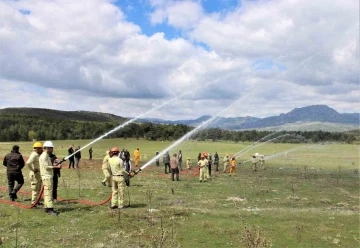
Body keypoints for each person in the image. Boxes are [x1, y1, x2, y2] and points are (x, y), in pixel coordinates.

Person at [39, 141, 62, 215]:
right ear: (47, 148)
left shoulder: (45, 155)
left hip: (47, 176)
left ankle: (46, 207)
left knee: (46, 192)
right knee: (49, 193)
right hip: (47, 176)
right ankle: (50, 209)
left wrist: (55, 163)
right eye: (51, 148)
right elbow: (46, 167)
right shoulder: (45, 156)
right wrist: (56, 166)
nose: (52, 149)